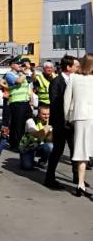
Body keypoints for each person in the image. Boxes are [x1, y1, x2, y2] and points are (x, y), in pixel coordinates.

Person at [44, 55, 80, 190]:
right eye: (76, 66)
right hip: (60, 123)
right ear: (68, 67)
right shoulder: (56, 82)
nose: (78, 68)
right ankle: (49, 178)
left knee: (75, 150)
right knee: (57, 151)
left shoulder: (74, 81)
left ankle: (77, 178)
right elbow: (54, 102)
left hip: (71, 122)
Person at [64, 53, 93, 197]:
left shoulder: (74, 78)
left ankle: (80, 184)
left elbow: (67, 100)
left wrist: (67, 117)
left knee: (82, 152)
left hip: (80, 117)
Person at [4, 57, 32, 151]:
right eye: (17, 63)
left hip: (25, 102)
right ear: (11, 65)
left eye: (21, 63)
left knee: (26, 123)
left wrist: (29, 69)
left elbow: (30, 81)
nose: (20, 65)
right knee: (17, 125)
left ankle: (23, 142)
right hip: (16, 102)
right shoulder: (9, 74)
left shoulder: (21, 74)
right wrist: (25, 72)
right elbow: (18, 81)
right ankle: (15, 145)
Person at [19, 105, 53, 170]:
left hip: (39, 147)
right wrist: (46, 129)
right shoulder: (31, 121)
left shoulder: (50, 122)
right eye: (44, 114)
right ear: (39, 114)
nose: (46, 116)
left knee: (50, 146)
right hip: (27, 148)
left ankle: (42, 162)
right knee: (27, 167)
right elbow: (36, 134)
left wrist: (51, 133)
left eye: (48, 114)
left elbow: (49, 140)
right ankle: (28, 159)